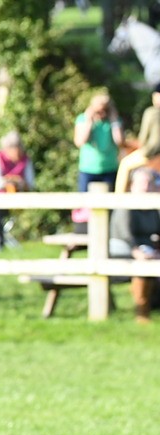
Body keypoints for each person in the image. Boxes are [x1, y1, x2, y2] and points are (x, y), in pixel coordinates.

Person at [110, 167, 160, 323]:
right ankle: (142, 312)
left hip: (148, 250)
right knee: (143, 265)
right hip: (122, 250)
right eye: (141, 183)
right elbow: (125, 235)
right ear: (132, 185)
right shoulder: (126, 206)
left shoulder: (153, 207)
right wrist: (137, 252)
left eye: (149, 183)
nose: (145, 187)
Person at [115, 83, 160, 193]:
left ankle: (118, 200)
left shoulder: (152, 112)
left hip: (151, 151)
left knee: (125, 164)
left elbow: (143, 137)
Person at [73, 92, 123, 192]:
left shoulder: (114, 121)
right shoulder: (82, 119)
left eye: (105, 110)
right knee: (85, 205)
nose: (102, 114)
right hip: (88, 169)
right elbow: (80, 142)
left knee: (108, 205)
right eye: (99, 111)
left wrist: (114, 121)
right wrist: (89, 122)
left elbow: (120, 142)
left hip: (109, 168)